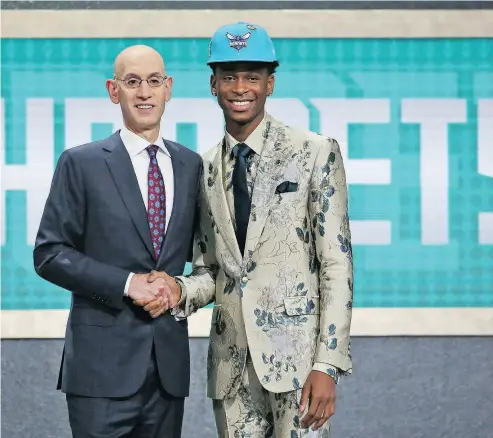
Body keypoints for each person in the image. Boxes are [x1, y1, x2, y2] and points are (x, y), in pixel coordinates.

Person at [142, 22, 354, 437]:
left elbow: (336, 264)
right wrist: (178, 290)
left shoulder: (313, 152)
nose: (241, 87)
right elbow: (211, 271)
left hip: (299, 368)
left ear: (269, 84)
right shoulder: (201, 169)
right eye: (229, 77)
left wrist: (328, 363)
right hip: (231, 370)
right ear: (213, 84)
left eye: (252, 77)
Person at [33, 44, 202, 437]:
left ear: (168, 88)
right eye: (132, 82)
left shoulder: (192, 165)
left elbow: (206, 259)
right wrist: (127, 284)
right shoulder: (82, 163)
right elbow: (50, 253)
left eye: (154, 81)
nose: (144, 92)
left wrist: (179, 287)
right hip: (100, 374)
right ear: (114, 91)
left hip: (167, 374)